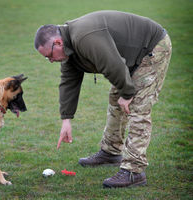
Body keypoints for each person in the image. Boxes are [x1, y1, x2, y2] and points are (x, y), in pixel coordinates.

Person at [34, 10, 172, 188]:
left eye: (49, 56)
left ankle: (134, 171)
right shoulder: (68, 48)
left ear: (58, 42)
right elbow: (68, 83)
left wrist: (128, 94)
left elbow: (113, 65)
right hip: (129, 58)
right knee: (116, 99)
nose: (51, 60)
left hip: (152, 47)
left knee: (138, 107)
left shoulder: (84, 37)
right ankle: (111, 152)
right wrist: (66, 120)